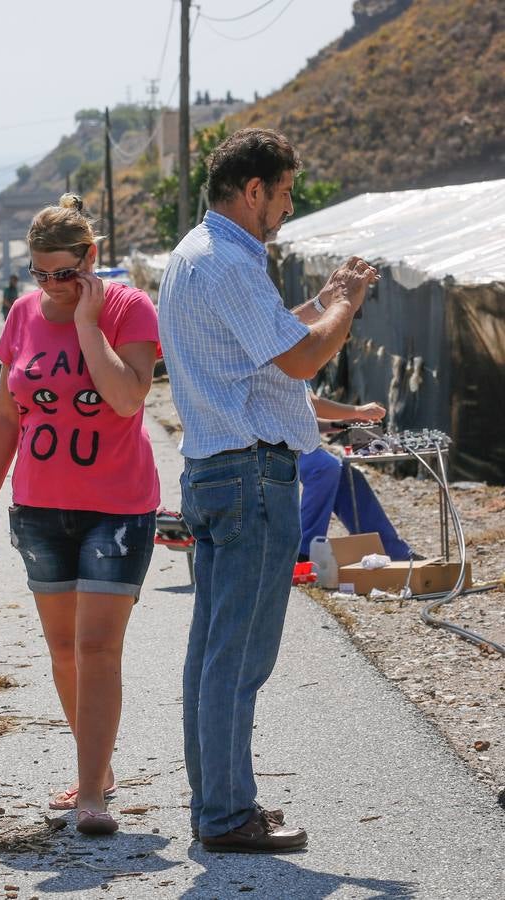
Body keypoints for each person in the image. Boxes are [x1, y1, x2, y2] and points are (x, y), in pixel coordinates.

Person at [158, 128, 379, 853]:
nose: (286, 208)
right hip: (251, 474)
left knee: (212, 652)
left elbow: (266, 342)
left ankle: (215, 805)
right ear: (252, 190)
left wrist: (322, 300)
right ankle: (227, 814)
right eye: (282, 194)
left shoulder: (195, 254)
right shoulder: (229, 262)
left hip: (215, 470)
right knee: (241, 656)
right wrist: (345, 306)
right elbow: (302, 357)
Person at [0, 194, 160, 836]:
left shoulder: (129, 308)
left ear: (90, 258)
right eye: (40, 273)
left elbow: (127, 398)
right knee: (65, 651)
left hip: (117, 507)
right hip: (40, 507)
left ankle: (92, 795)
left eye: (64, 273)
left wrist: (87, 324)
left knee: (98, 647)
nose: (50, 286)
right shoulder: (22, 313)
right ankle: (97, 768)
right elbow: (5, 415)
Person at [301, 395, 415, 561]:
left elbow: (304, 420)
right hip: (272, 447)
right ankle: (303, 553)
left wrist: (343, 423)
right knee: (326, 467)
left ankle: (388, 550)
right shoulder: (290, 377)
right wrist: (358, 411)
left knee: (349, 476)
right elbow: (311, 403)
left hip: (295, 444)